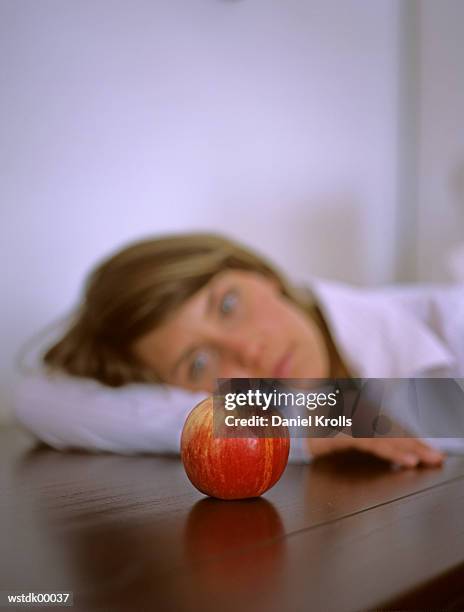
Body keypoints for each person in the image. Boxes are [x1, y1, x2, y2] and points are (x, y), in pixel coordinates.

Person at [14, 233, 464, 467]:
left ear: (259, 273)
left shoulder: (447, 322)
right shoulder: (264, 406)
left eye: (228, 304)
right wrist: (309, 417)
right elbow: (37, 399)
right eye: (199, 362)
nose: (248, 350)